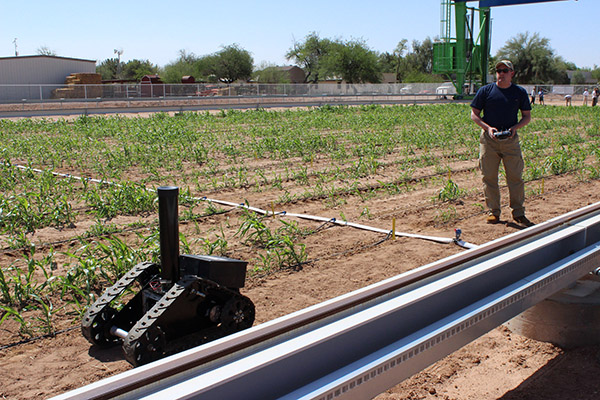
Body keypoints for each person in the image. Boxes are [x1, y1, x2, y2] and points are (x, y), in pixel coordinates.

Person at [470, 60, 533, 227]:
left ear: (512, 73)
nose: (501, 73)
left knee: (515, 177)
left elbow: (527, 116)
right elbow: (474, 114)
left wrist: (514, 128)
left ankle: (518, 213)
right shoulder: (486, 91)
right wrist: (488, 128)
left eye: (505, 70)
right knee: (489, 177)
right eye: (498, 70)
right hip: (489, 141)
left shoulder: (519, 92)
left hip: (510, 141)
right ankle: (493, 212)